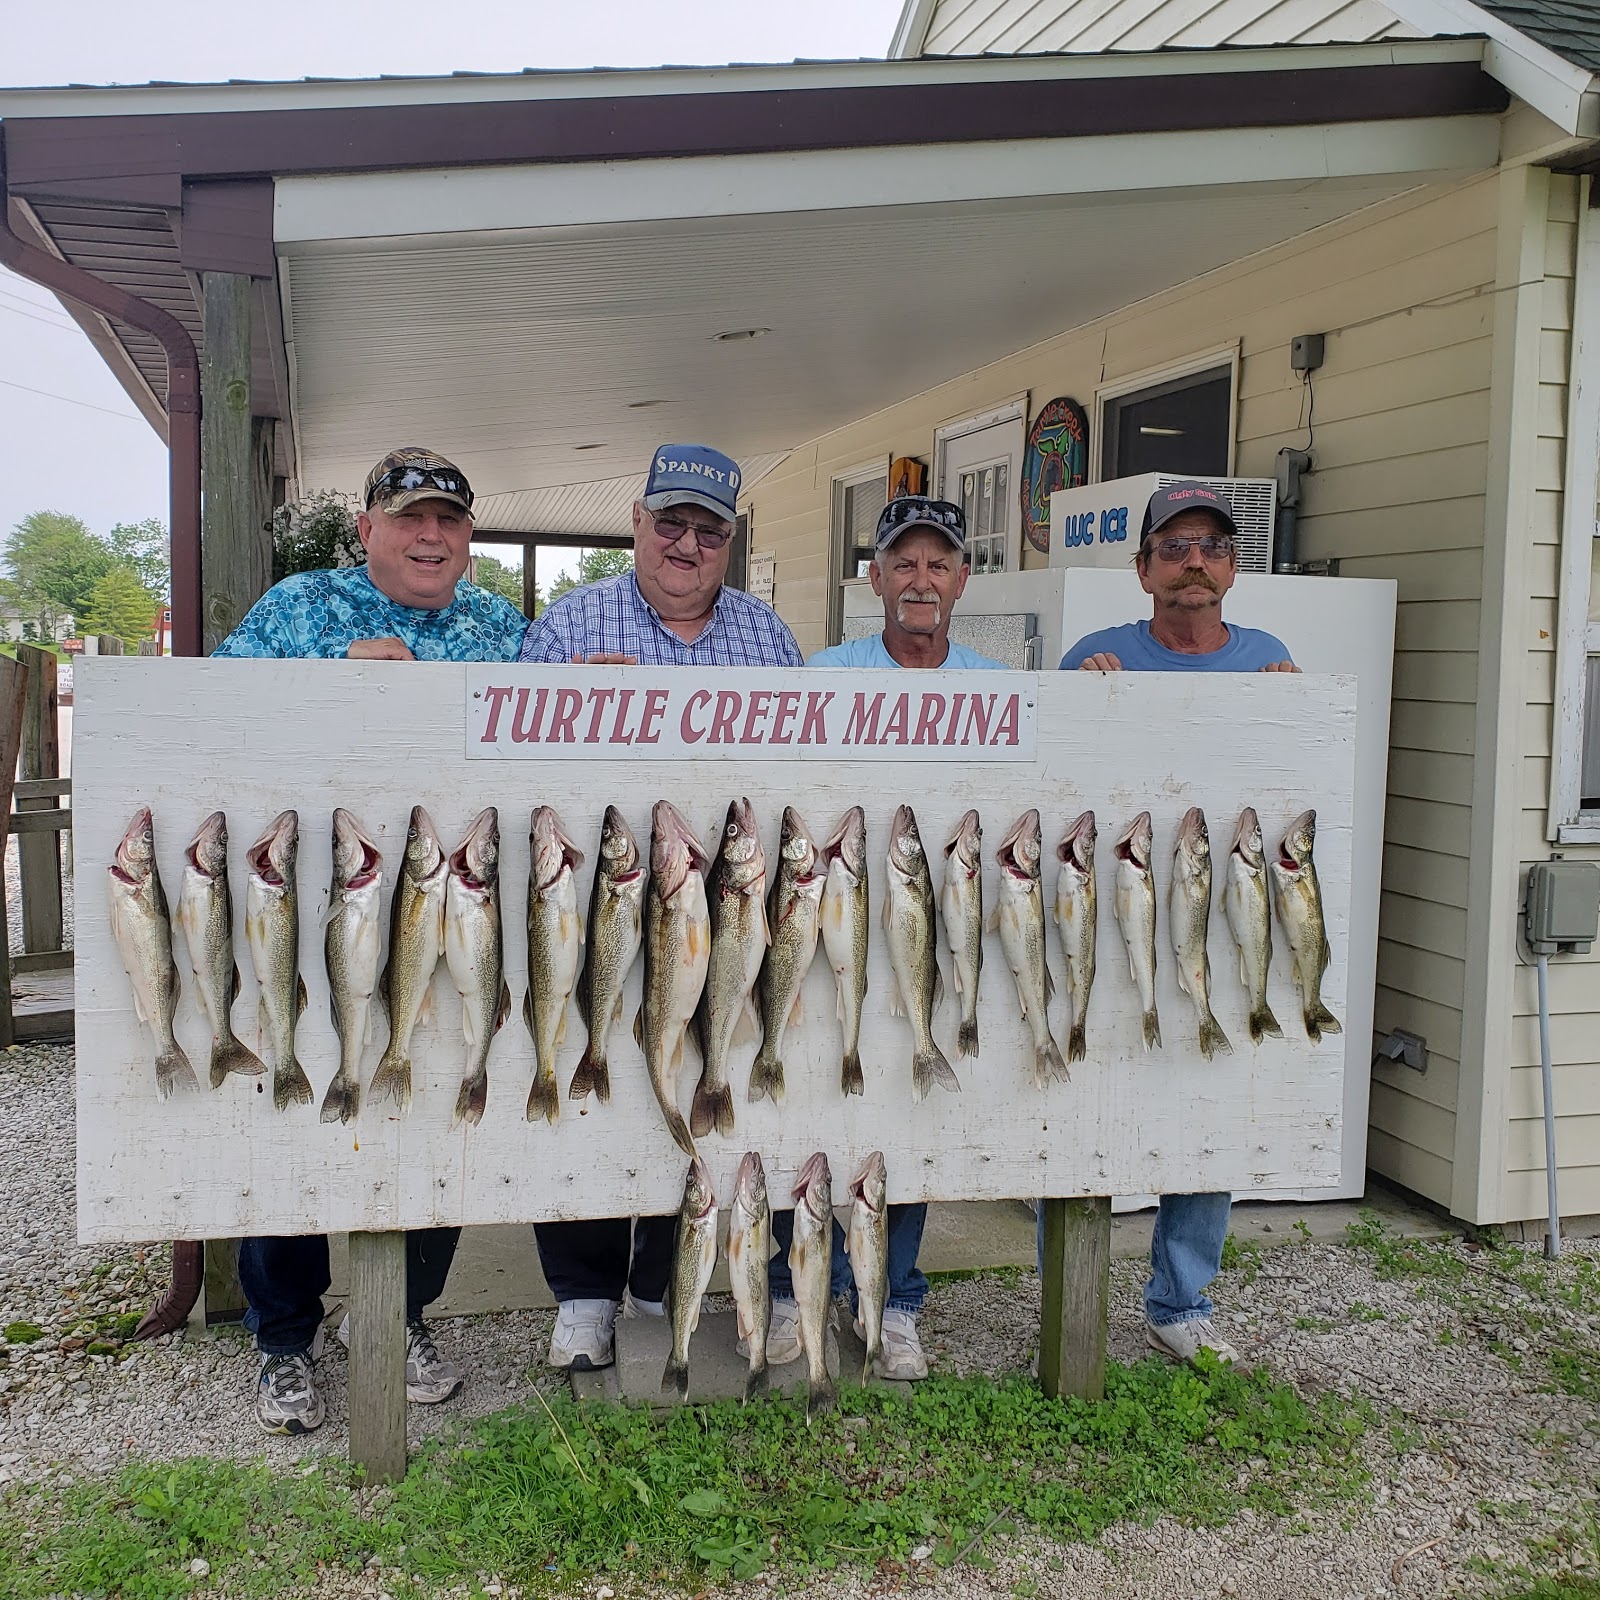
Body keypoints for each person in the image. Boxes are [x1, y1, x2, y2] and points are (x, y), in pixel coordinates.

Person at [215, 446, 531, 1432]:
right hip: (318, 903)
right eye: (409, 519)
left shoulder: (498, 626)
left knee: (438, 1096)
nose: (430, 537)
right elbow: (209, 700)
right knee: (295, 1097)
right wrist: (329, 673)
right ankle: (283, 1337)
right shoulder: (301, 607)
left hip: (449, 906)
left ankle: (400, 1314)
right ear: (367, 531)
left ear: (467, 538)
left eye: (448, 520)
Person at [520, 442, 803, 1371]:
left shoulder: (768, 636)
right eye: (670, 522)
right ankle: (584, 1293)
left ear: (729, 540)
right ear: (637, 523)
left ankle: (656, 1276)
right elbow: (510, 753)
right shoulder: (569, 623)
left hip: (716, 890)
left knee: (687, 1046)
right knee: (588, 1060)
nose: (687, 543)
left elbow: (809, 760)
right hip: (599, 891)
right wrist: (560, 703)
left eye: (707, 529)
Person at [763, 495, 1005, 1381]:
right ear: (874, 578)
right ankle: (794, 1293)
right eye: (903, 563)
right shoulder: (825, 672)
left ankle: (894, 1302)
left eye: (939, 564)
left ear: (963, 579)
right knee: (809, 1112)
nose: (921, 580)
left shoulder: (995, 685)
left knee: (910, 1119)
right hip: (831, 913)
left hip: (935, 924)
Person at [1058, 478, 1298, 1366]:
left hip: (1217, 908)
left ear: (1232, 566)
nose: (1192, 562)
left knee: (1209, 1102)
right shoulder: (1097, 652)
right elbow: (1056, 787)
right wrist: (1080, 696)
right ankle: (1068, 1289)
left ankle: (1180, 1299)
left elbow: (1288, 792)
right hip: (1115, 903)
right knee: (1082, 1093)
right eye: (1174, 547)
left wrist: (1294, 705)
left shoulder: (1269, 656)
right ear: (1143, 568)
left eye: (1210, 547)